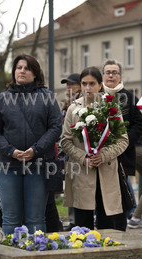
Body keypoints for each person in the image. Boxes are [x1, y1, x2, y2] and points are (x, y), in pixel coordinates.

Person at [0, 54, 62, 235]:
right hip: (8, 165)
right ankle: (10, 257)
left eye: (27, 68)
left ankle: (36, 256)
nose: (22, 71)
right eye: (19, 67)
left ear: (35, 73)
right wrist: (10, 151)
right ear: (14, 72)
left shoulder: (47, 97)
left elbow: (55, 127)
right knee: (10, 217)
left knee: (36, 218)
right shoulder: (1, 99)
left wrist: (35, 150)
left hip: (38, 164)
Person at [61, 66, 129, 231]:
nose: (87, 88)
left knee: (107, 226)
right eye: (84, 83)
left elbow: (122, 140)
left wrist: (103, 156)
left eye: (92, 83)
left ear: (100, 85)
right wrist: (83, 157)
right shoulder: (73, 108)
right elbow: (65, 141)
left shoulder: (111, 108)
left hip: (106, 171)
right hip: (82, 171)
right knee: (82, 226)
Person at [102, 59, 142, 219]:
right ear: (103, 75)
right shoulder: (97, 96)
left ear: (120, 76)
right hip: (99, 154)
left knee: (120, 190)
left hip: (122, 155)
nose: (111, 76)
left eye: (115, 72)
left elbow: (139, 125)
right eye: (108, 72)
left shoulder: (130, 98)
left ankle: (122, 219)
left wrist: (123, 142)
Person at [60, 73, 82, 231]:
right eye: (66, 85)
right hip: (68, 150)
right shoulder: (67, 103)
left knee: (81, 186)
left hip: (81, 151)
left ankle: (80, 220)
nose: (68, 88)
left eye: (71, 84)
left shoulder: (82, 103)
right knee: (71, 186)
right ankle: (73, 221)